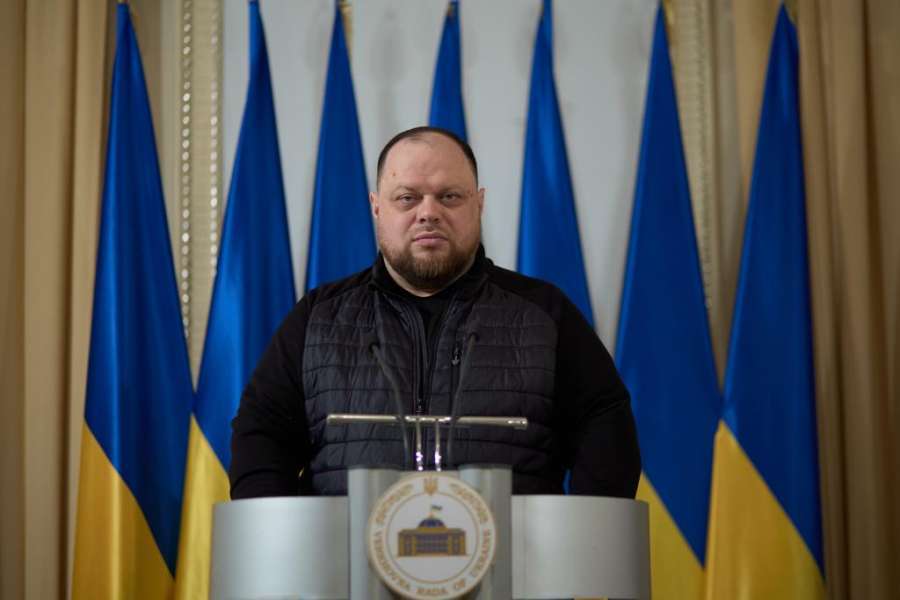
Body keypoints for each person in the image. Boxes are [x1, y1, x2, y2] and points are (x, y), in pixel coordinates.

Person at [230, 126, 640, 498]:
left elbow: (605, 426)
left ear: (479, 204)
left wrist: (574, 543)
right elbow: (261, 434)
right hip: (344, 558)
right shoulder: (318, 318)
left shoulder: (545, 314)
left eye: (449, 196)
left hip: (516, 558)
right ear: (377, 207)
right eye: (407, 198)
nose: (428, 212)